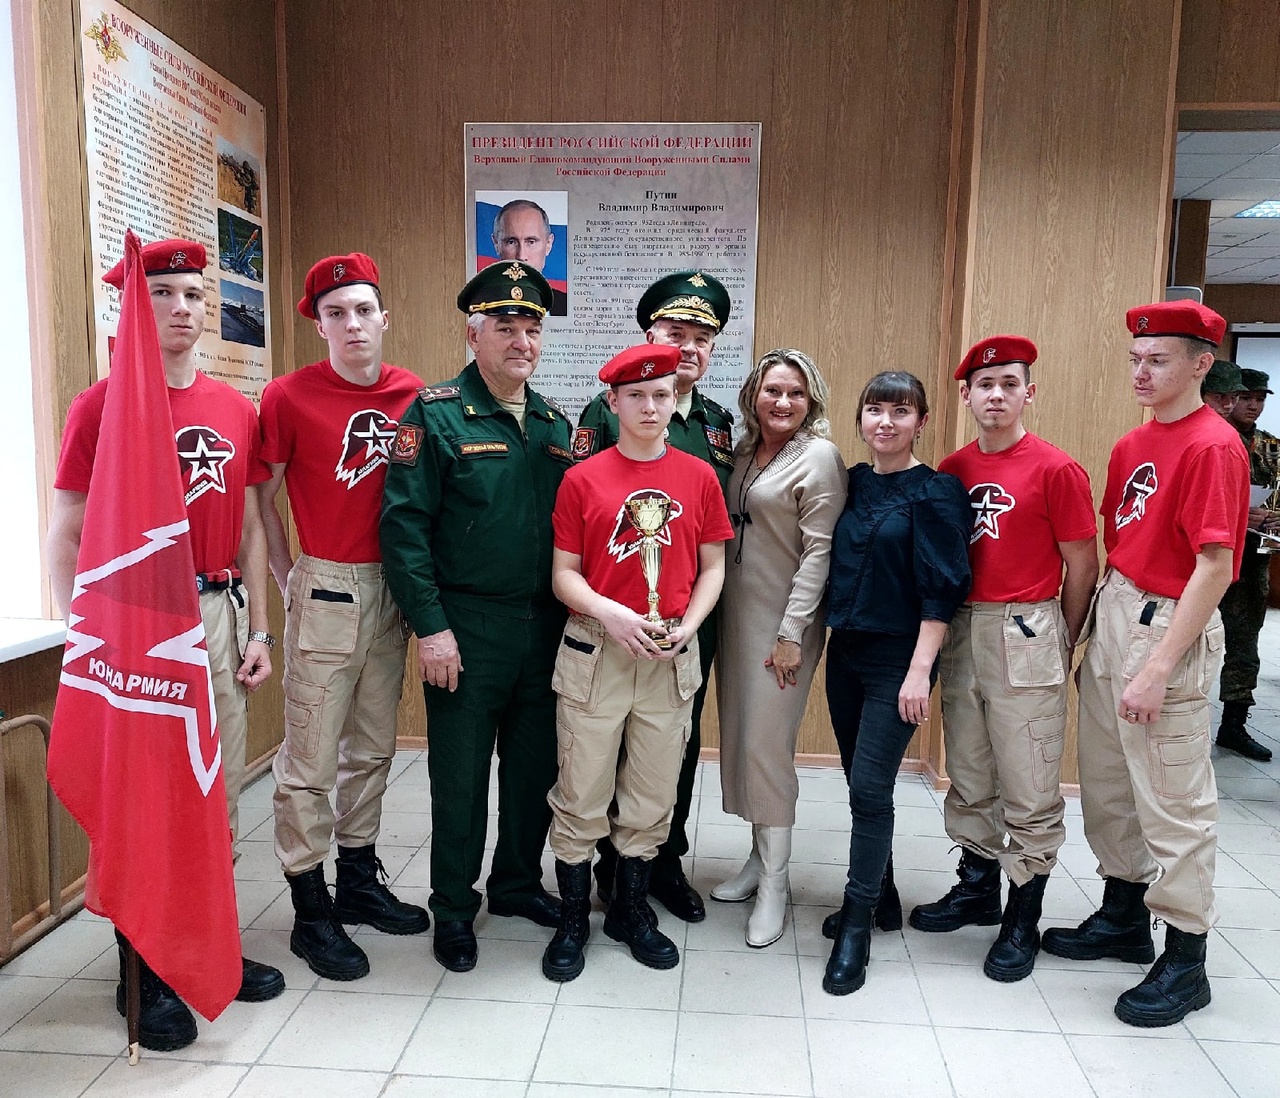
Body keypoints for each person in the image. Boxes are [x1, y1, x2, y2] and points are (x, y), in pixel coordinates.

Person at [47, 238, 284, 1051]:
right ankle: (142, 967)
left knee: (214, 794)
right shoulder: (100, 407)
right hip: (139, 626)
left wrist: (258, 626)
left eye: (194, 294)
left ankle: (204, 947)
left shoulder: (234, 407)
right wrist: (87, 641)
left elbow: (250, 524)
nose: (183, 308)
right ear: (133, 308)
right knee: (145, 799)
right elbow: (67, 532)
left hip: (217, 612)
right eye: (164, 294)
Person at [1041, 301, 1249, 1028]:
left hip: (1169, 622)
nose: (1141, 371)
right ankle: (1123, 914)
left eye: (1158, 360)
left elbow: (1215, 566)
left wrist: (1159, 667)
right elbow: (1121, 539)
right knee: (1108, 782)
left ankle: (1186, 959)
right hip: (1118, 607)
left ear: (1200, 365)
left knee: (1173, 798)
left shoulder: (1214, 446)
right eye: (1136, 358)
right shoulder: (1134, 442)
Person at [380, 261, 572, 973]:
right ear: (474, 334)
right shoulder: (432, 415)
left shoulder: (553, 422)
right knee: (459, 777)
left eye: (532, 330)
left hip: (542, 627)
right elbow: (403, 531)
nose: (522, 342)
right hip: (465, 627)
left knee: (532, 768)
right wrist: (431, 628)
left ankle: (516, 884)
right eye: (506, 327)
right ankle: (455, 907)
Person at [258, 253, 429, 983]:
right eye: (336, 313)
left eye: (363, 310)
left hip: (392, 586)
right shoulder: (288, 396)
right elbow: (260, 499)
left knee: (373, 746)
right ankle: (310, 908)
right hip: (325, 581)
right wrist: (287, 578)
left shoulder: (414, 394)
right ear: (319, 324)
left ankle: (358, 879)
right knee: (309, 759)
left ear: (384, 318)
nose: (352, 324)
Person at [540, 343, 734, 982]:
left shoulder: (699, 477)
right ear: (613, 402)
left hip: (670, 653)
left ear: (675, 399)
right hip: (598, 649)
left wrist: (691, 627)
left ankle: (630, 911)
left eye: (661, 395)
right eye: (636, 396)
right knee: (582, 790)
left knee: (652, 794)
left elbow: (713, 567)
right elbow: (564, 575)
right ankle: (574, 918)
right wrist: (612, 614)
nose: (650, 406)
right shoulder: (582, 478)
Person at [907, 335, 1098, 983]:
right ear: (966, 396)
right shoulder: (953, 468)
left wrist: (1060, 638)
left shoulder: (1056, 469)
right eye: (984, 385)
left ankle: (1023, 914)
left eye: (1009, 384)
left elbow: (1082, 565)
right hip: (963, 624)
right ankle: (977, 885)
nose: (996, 395)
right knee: (969, 765)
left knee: (1030, 775)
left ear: (1028, 393)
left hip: (1027, 625)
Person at [574, 270, 735, 923]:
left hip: (690, 614)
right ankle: (609, 868)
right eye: (675, 332)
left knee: (676, 740)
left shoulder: (718, 423)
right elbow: (583, 516)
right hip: (614, 613)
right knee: (607, 742)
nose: (688, 346)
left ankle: (662, 861)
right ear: (650, 335)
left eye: (702, 337)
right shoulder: (605, 410)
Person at [821, 371, 972, 996]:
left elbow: (944, 588)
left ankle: (856, 923)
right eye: (875, 409)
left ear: (921, 422)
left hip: (900, 661)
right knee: (854, 776)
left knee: (870, 788)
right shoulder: (852, 482)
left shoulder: (937, 491)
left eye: (900, 411)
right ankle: (881, 896)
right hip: (845, 653)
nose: (886, 422)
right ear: (861, 418)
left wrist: (918, 671)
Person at [711, 350, 846, 948]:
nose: (783, 402)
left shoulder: (819, 457)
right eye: (772, 391)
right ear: (754, 396)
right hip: (734, 620)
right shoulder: (743, 452)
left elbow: (820, 552)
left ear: (810, 399)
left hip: (783, 626)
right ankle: (757, 857)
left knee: (767, 748)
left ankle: (776, 883)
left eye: (795, 392)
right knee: (743, 740)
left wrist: (792, 632)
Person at [1215, 367, 1279, 761]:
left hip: (1252, 558)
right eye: (1245, 397)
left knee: (1244, 645)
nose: (1252, 405)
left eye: (1259, 399)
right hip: (1209, 555)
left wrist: (1272, 516)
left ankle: (1234, 725)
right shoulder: (1214, 438)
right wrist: (1241, 512)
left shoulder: (1272, 447)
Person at [491, 199, 567, 315]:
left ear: (548, 244)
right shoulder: (479, 306)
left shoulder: (567, 306)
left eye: (531, 242)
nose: (521, 256)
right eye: (511, 242)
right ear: (496, 244)